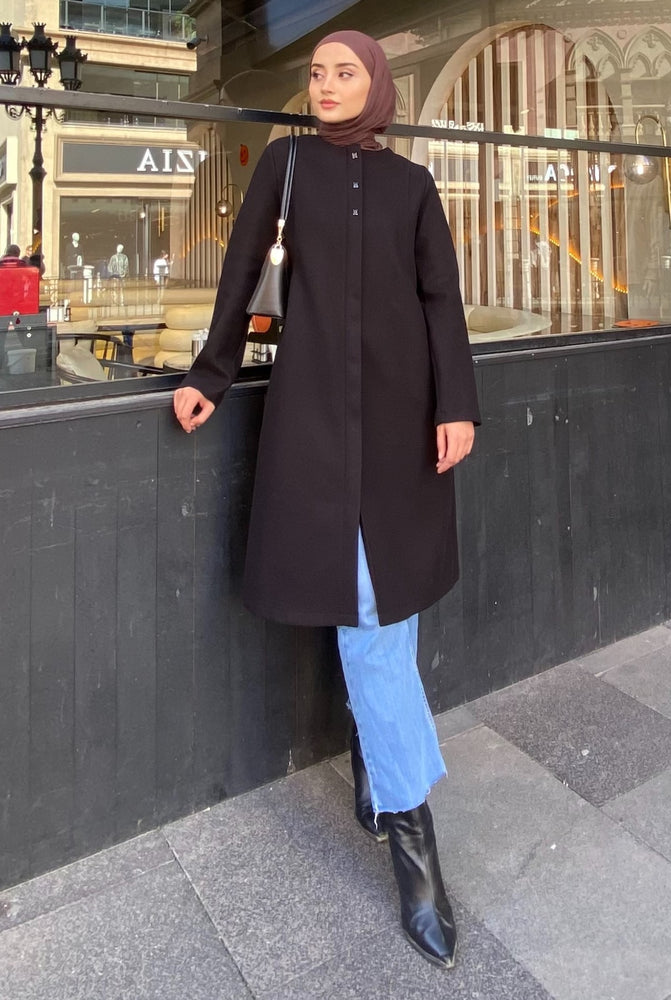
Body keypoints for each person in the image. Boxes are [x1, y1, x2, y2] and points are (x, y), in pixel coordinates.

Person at [173, 30, 480, 970]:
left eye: (346, 73)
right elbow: (241, 270)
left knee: (387, 611)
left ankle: (381, 769)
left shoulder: (412, 186)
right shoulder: (288, 165)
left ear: (376, 85)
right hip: (313, 419)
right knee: (375, 616)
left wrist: (456, 405)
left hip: (401, 423)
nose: (326, 84)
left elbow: (441, 301)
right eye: (317, 73)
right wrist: (211, 373)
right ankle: (414, 844)